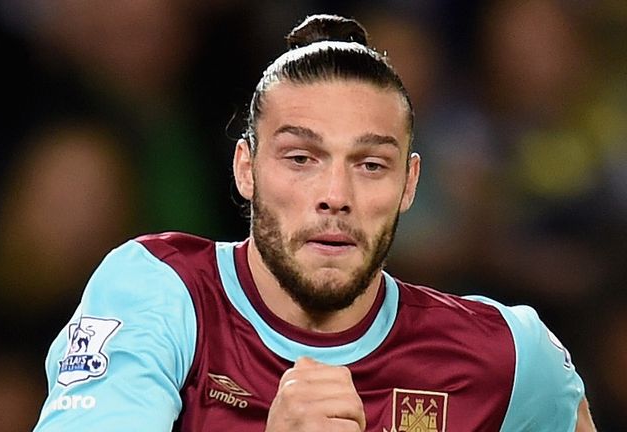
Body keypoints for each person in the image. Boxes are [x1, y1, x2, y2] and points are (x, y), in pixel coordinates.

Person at [31, 14, 596, 431]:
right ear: (246, 169)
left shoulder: (505, 355)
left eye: (371, 165)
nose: (335, 196)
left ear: (410, 185)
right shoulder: (159, 291)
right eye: (301, 159)